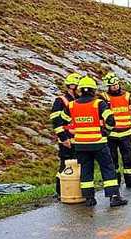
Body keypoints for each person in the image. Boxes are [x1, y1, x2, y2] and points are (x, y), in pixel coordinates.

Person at [60, 76, 128, 207]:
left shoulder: (72, 105)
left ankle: (89, 198)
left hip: (80, 145)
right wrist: (106, 131)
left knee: (86, 170)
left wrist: (71, 133)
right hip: (99, 143)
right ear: (93, 90)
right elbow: (110, 120)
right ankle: (114, 197)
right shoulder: (99, 103)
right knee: (108, 168)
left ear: (80, 90)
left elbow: (63, 120)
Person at [100, 72, 131, 188]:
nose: (115, 87)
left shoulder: (127, 95)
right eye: (112, 86)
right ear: (108, 86)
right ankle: (115, 181)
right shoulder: (103, 97)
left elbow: (129, 111)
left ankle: (130, 179)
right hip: (111, 133)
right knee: (112, 159)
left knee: (128, 157)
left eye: (116, 85)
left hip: (126, 132)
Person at [50, 72, 81, 200]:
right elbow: (56, 121)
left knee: (78, 165)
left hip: (79, 139)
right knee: (65, 165)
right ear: (72, 86)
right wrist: (63, 138)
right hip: (67, 139)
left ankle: (75, 190)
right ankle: (60, 190)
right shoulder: (61, 100)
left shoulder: (78, 100)